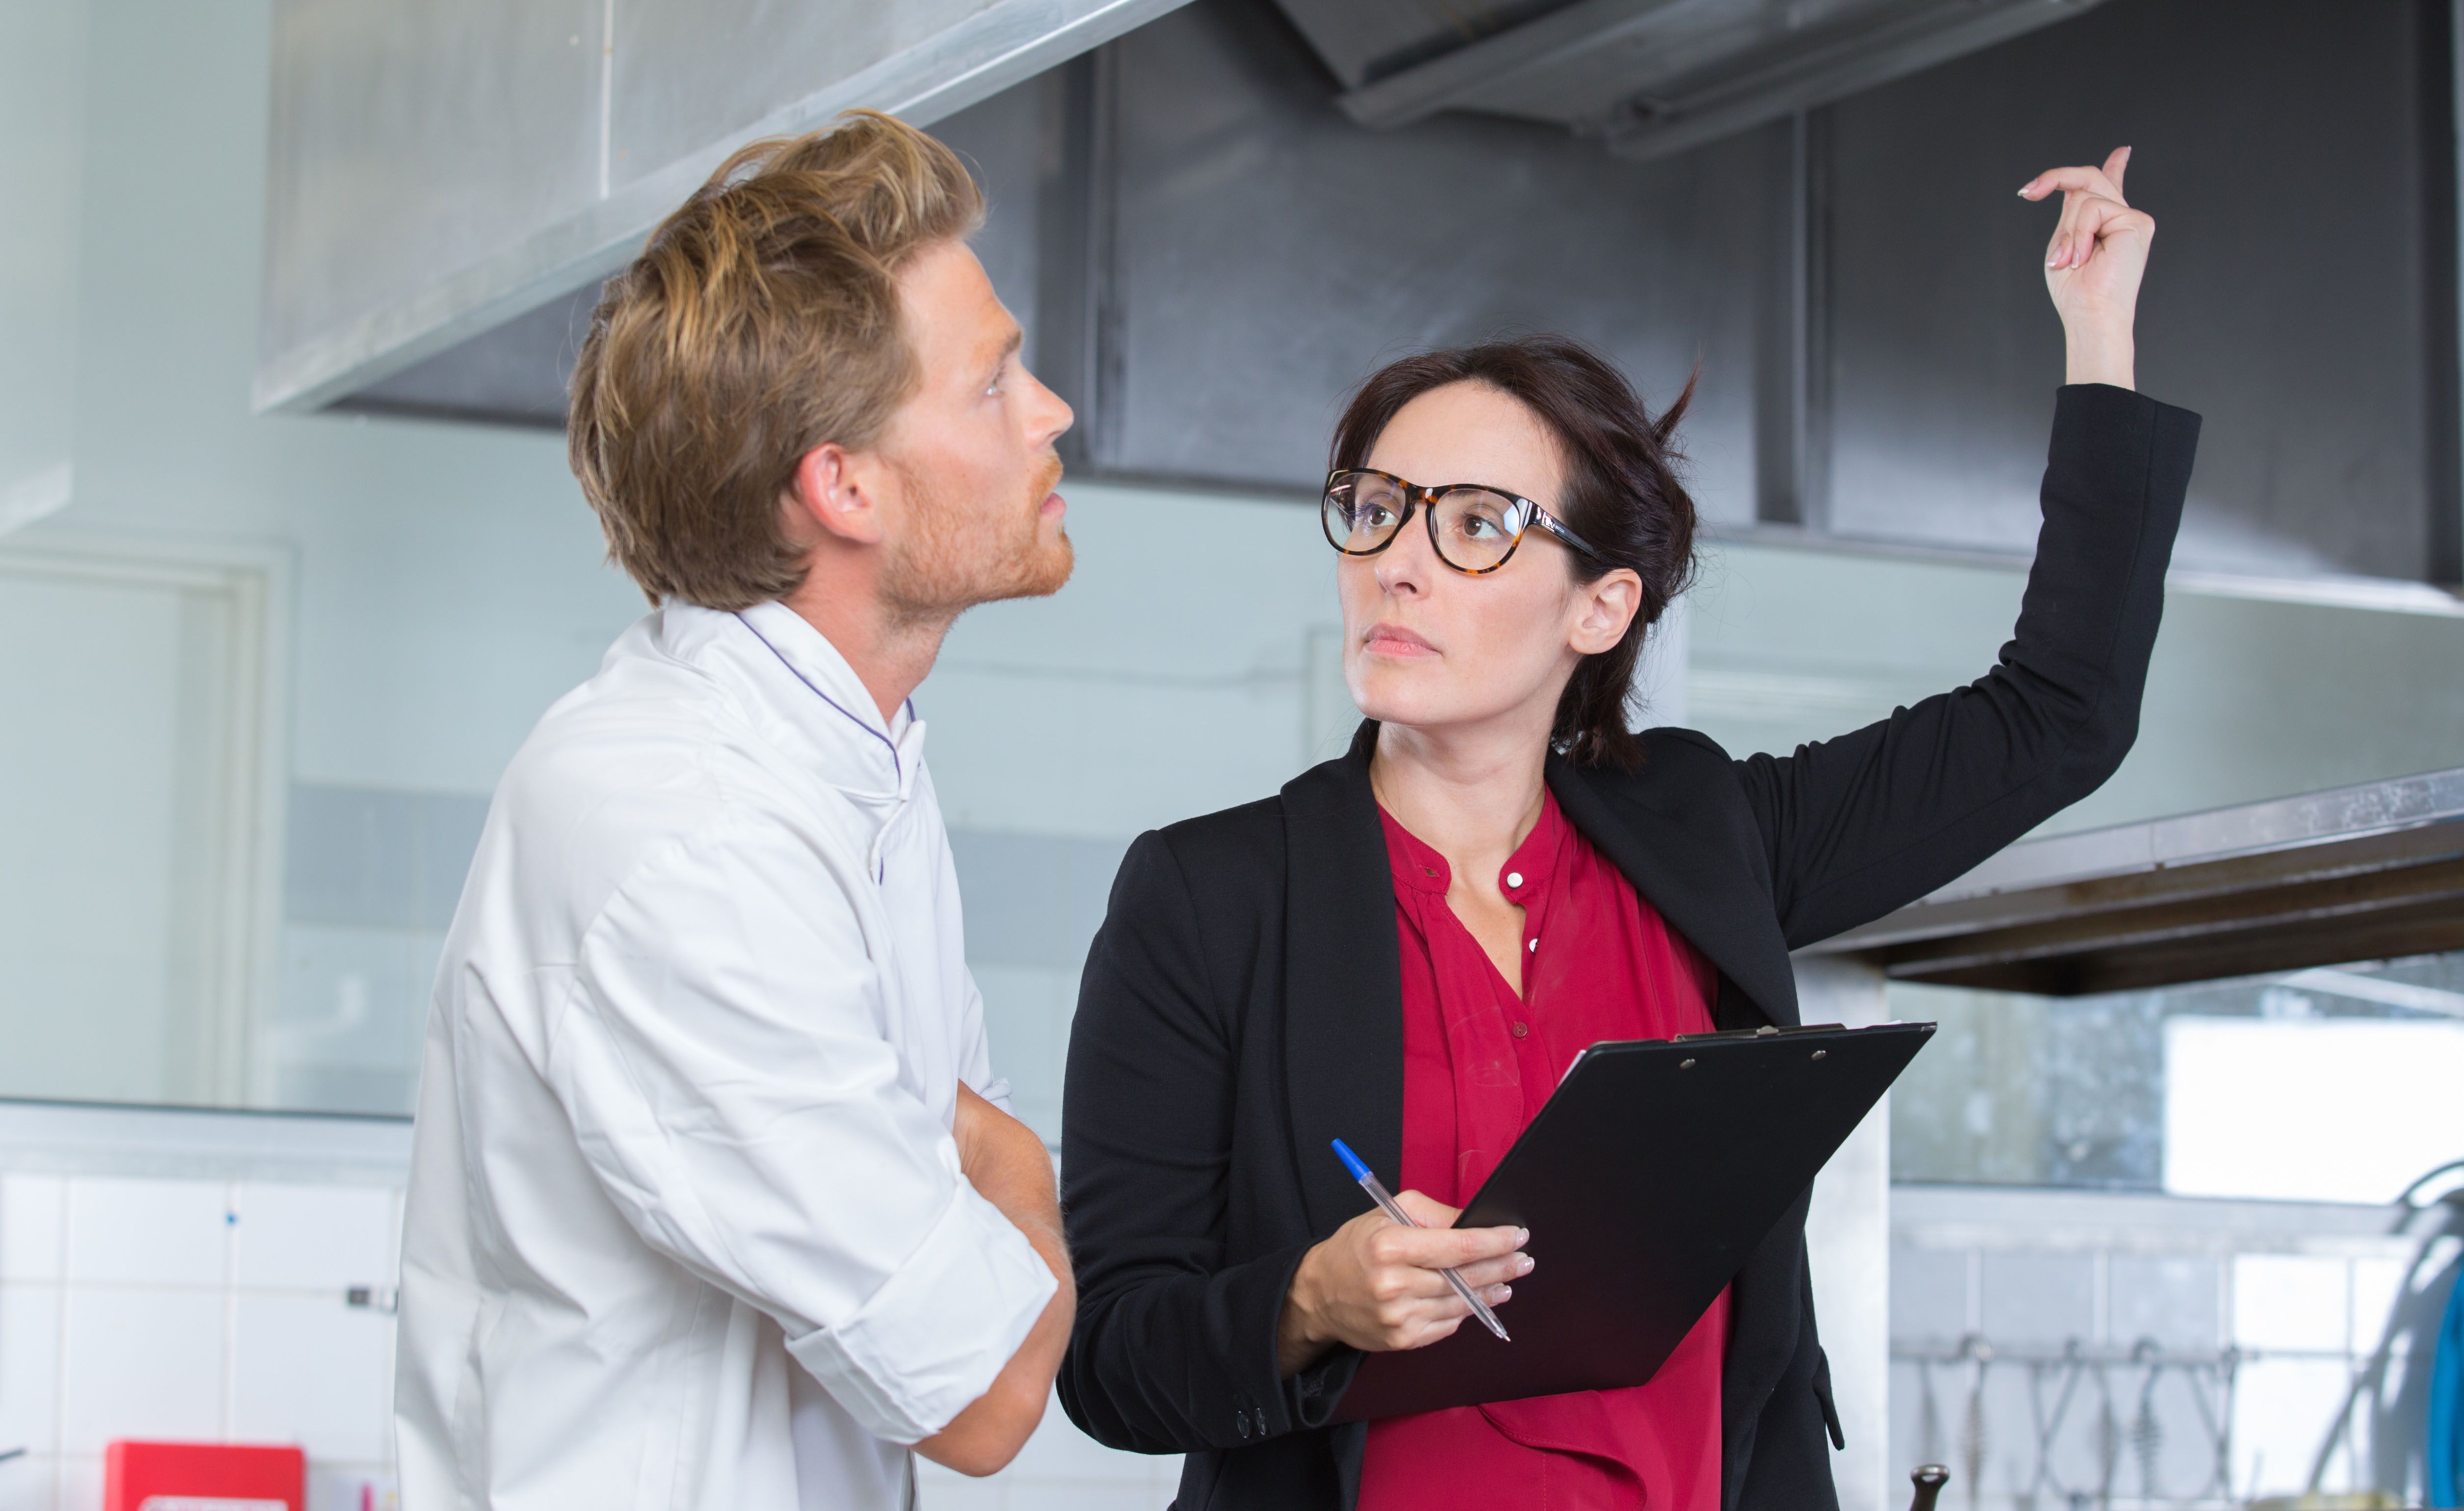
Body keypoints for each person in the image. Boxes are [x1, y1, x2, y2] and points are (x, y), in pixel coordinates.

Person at [1057, 149, 2196, 1509]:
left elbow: (2055, 717)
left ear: (1599, 609)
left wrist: (2098, 337)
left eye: (1476, 525)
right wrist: (1309, 1301)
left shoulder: (1705, 834)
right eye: (1373, 509)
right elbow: (1113, 1361)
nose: (1397, 561)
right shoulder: (1212, 895)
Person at [394, 112, 1079, 1510]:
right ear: (842, 487)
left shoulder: (846, 754)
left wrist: (951, 1146)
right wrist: (1000, 1154)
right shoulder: (685, 825)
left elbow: (962, 1230)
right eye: (993, 383)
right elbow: (987, 1389)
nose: (1050, 411)